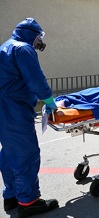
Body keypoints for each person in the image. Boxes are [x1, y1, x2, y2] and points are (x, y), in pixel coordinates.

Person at [0, 18, 59, 217]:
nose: (39, 43)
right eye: (38, 38)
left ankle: (11, 197)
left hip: (4, 108)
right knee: (26, 154)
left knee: (9, 153)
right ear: (32, 34)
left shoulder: (5, 47)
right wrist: (49, 101)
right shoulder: (23, 49)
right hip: (14, 109)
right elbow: (36, 80)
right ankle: (29, 201)